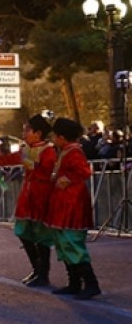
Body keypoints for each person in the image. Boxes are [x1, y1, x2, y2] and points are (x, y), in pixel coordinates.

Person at [0, 114, 56, 286]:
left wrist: (27, 162)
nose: (24, 133)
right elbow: (4, 160)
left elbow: (44, 171)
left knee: (42, 236)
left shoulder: (48, 150)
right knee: (22, 232)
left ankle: (43, 274)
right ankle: (36, 269)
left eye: (27, 129)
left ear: (38, 133)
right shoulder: (25, 149)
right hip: (27, 195)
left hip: (41, 194)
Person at [47, 118, 101, 299]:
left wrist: (67, 179)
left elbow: (84, 171)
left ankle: (91, 283)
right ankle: (74, 282)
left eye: (54, 136)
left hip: (72, 203)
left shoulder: (74, 152)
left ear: (61, 137)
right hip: (64, 201)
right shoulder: (65, 151)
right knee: (63, 242)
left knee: (72, 242)